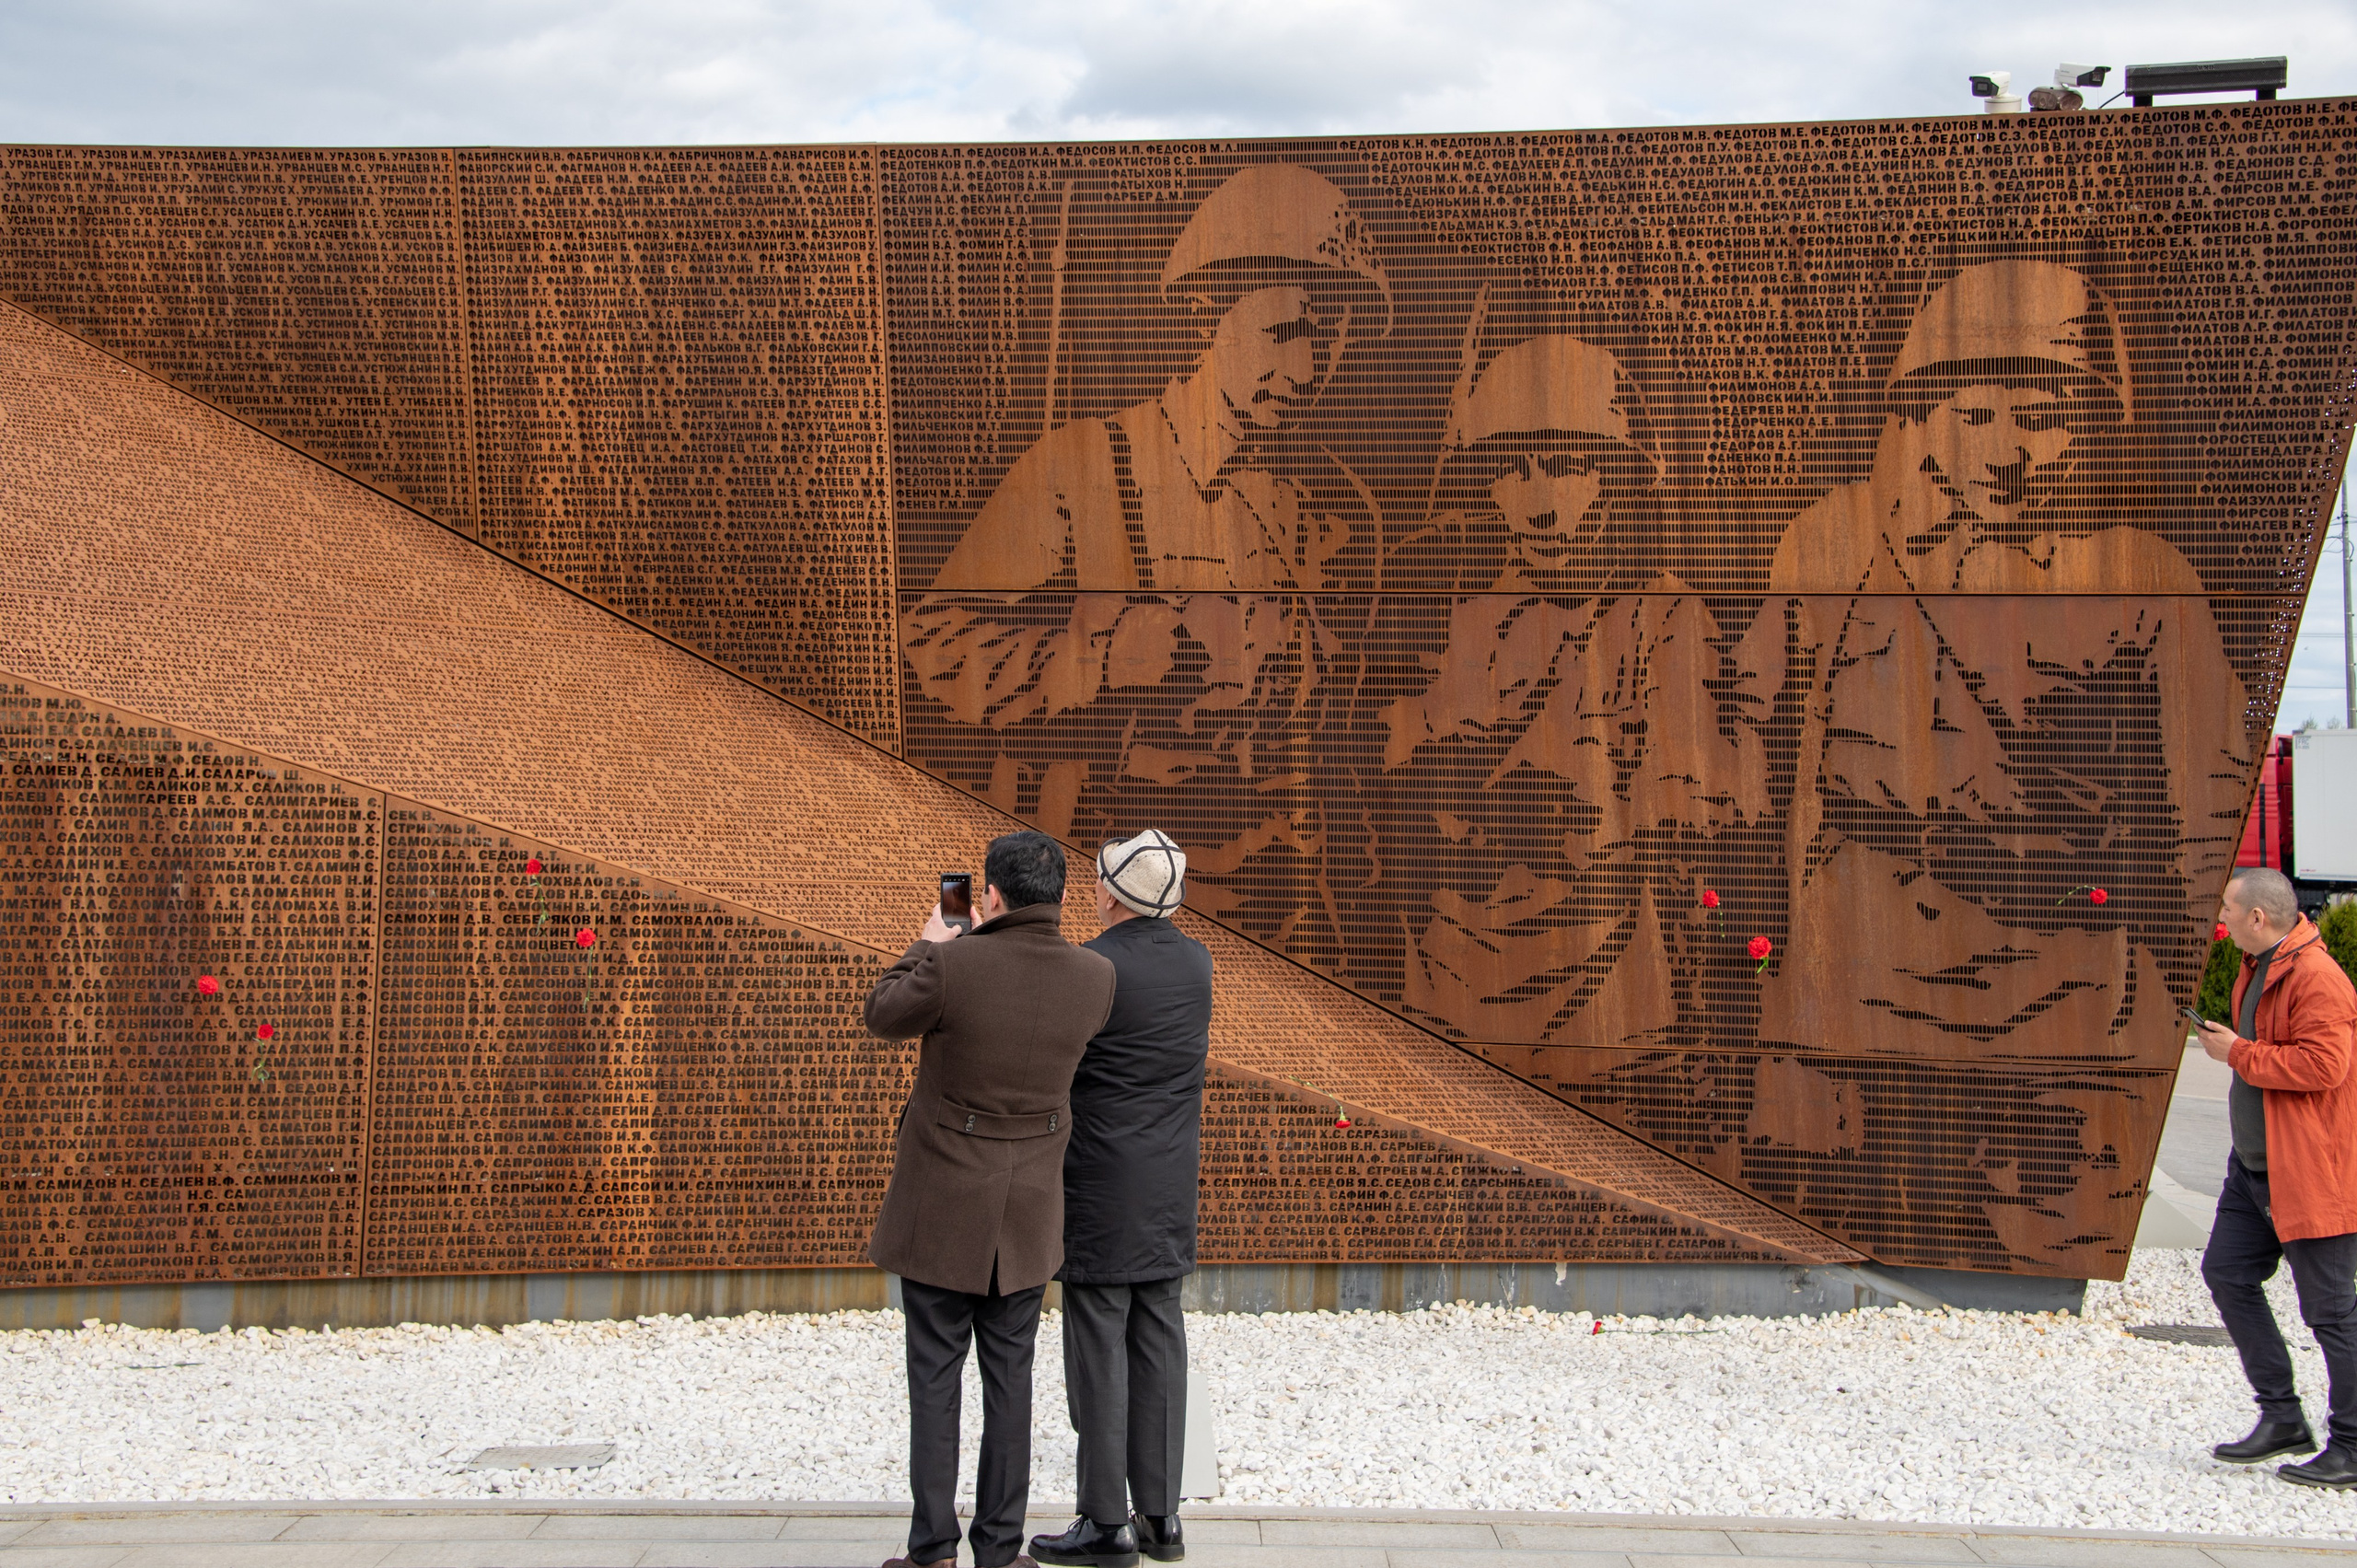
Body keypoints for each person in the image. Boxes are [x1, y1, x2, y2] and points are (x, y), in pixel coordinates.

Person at [1756, 259, 2253, 1076]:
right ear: (1920, 419)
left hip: (2066, 998)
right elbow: (1757, 743)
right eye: (1975, 415)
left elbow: (2205, 803)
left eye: (2042, 418)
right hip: (1850, 986)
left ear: (2089, 425)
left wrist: (2188, 976)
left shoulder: (2145, 575)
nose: (2006, 452)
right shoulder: (1833, 544)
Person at [900, 162, 1390, 966]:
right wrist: (1095, 657)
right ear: (1208, 317)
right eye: (1286, 333)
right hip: (1109, 898)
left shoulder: (1340, 514)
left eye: (1332, 338)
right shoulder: (1085, 468)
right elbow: (934, 640)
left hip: (1283, 910)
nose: (1310, 370)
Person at [1376, 334, 1772, 1045]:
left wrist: (1584, 805)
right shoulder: (1462, 614)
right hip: (1448, 975)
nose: (1540, 504)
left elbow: (1721, 788)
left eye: (1565, 468)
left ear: (1612, 477)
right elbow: (1397, 756)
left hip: (1601, 985)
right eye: (1512, 471)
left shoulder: (1665, 614)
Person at [865, 830, 1118, 1568]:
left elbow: (881, 1013)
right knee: (1011, 1380)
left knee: (935, 1378)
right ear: (1066, 898)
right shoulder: (1096, 977)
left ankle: (933, 1549)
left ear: (990, 896)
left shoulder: (950, 963)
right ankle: (1001, 1551)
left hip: (942, 1205)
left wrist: (925, 941)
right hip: (1030, 1209)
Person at [1031, 829, 1213, 1568]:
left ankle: (1106, 1521)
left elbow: (1051, 1059)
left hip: (1101, 1181)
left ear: (1110, 893)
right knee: (1161, 1337)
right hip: (1170, 1178)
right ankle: (1162, 1517)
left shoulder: (1093, 965)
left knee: (1099, 1346)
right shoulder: (1197, 962)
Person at [2195, 867, 2357, 1486]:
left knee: (2332, 1312)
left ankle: (2353, 1445)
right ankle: (2283, 1416)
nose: (2224, 918)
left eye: (2230, 909)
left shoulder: (2318, 978)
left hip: (2312, 1172)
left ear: (2258, 917)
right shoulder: (2256, 965)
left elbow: (2323, 1065)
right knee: (2227, 1273)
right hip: (2254, 1170)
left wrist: (2235, 1051)